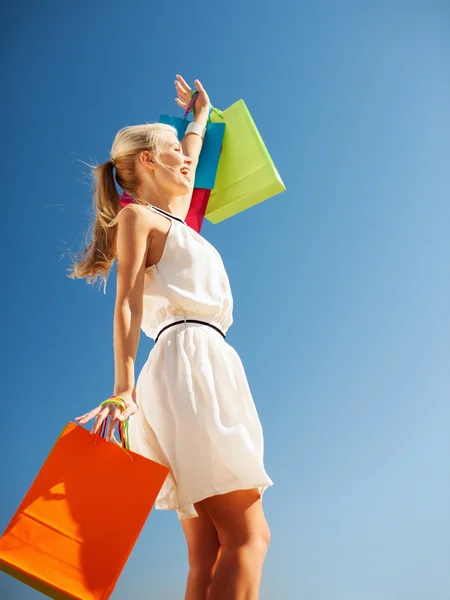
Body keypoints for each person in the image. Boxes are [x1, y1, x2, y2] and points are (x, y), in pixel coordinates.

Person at [71, 75, 273, 600]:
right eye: (171, 152)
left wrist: (199, 118)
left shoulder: (173, 219)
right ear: (145, 164)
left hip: (190, 366)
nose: (186, 161)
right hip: (189, 364)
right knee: (249, 537)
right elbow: (127, 303)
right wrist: (123, 387)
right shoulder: (138, 217)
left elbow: (189, 153)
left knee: (207, 557)